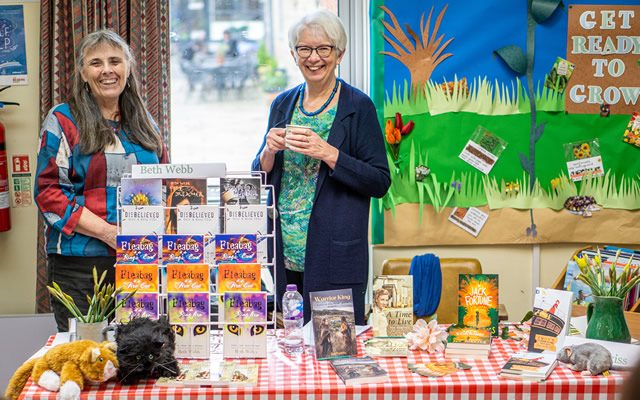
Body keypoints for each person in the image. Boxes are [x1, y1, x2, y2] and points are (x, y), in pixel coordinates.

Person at [251, 9, 390, 325]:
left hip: (334, 255)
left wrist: (329, 153)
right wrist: (267, 153)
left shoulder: (358, 107)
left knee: (333, 350)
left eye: (323, 49)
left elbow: (380, 181)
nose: (313, 58)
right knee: (289, 348)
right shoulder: (282, 104)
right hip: (284, 254)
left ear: (339, 53)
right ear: (294, 54)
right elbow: (259, 179)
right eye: (305, 49)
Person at [35, 29, 169, 332]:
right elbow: (48, 193)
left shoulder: (145, 123)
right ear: (83, 73)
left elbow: (165, 185)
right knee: (89, 357)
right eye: (96, 63)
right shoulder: (63, 120)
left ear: (128, 68)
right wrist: (109, 233)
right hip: (81, 264)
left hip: (141, 262)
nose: (107, 70)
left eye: (115, 61)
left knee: (139, 353)